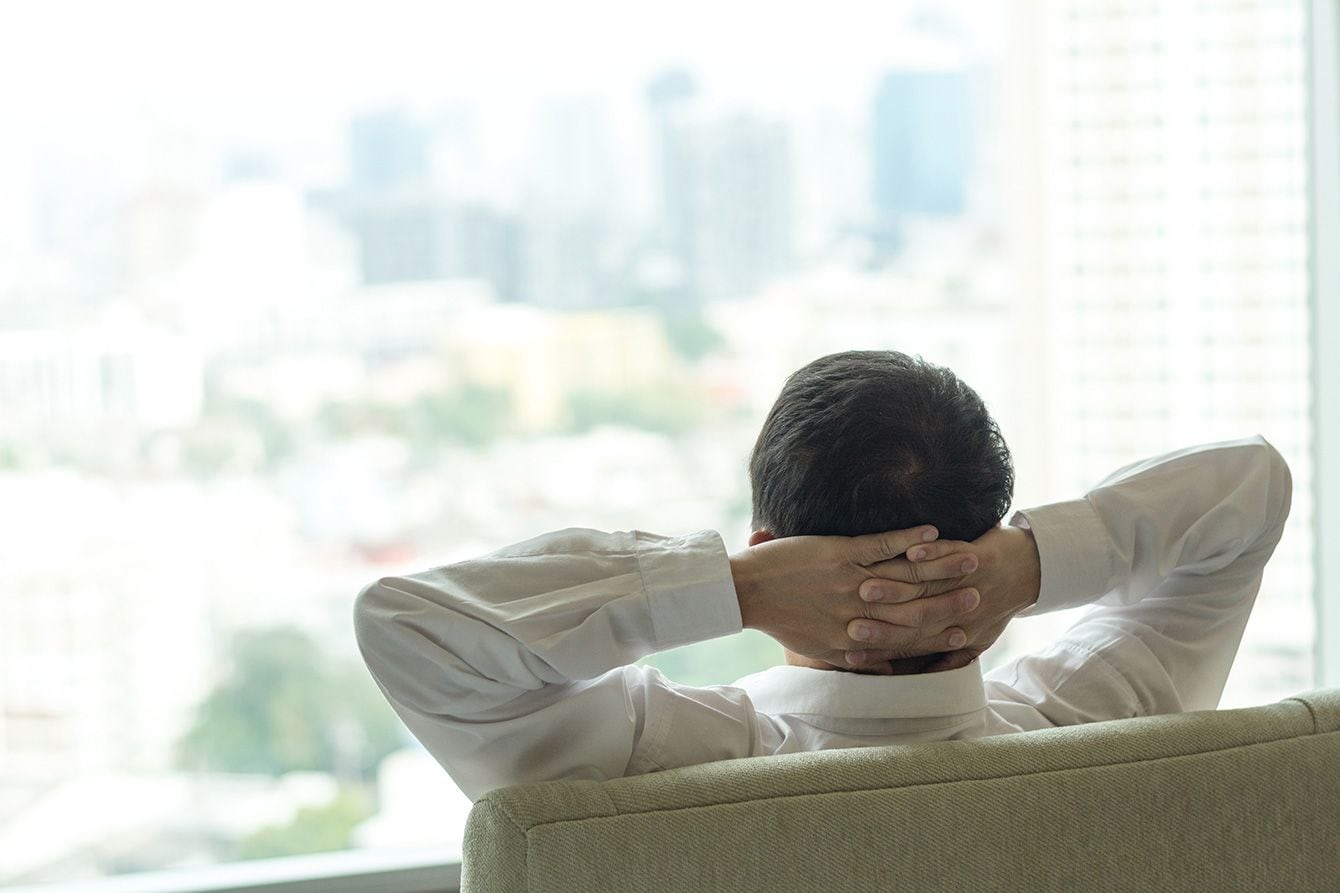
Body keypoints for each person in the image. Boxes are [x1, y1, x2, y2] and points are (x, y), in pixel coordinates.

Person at [354, 351, 1292, 801]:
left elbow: (411, 626)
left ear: (770, 543)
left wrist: (740, 589)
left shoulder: (648, 771)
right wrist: (1032, 563)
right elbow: (1251, 488)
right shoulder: (1102, 731)